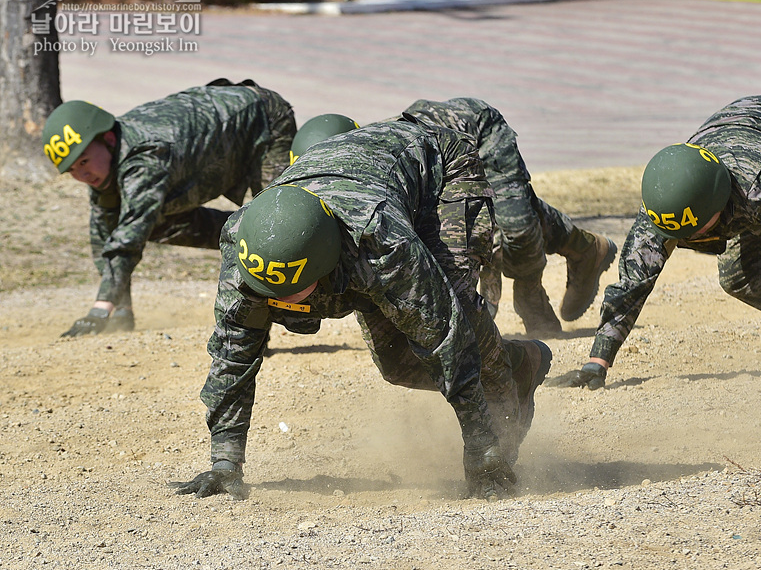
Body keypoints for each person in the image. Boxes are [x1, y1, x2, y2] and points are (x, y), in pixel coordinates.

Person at [169, 116, 552, 501]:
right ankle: (517, 360)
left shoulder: (380, 246)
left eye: (289, 294)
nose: (276, 305)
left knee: (458, 310)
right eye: (268, 292)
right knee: (397, 364)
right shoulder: (246, 245)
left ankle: (507, 402)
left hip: (439, 169)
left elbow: (443, 337)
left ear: (326, 268)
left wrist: (482, 451)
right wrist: (224, 462)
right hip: (363, 190)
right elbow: (233, 353)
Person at [551, 91, 761, 390]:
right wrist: (596, 363)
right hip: (757, 145)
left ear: (718, 204)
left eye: (698, 232)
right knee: (743, 278)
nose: (693, 241)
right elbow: (631, 285)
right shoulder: (666, 203)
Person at [291, 98, 618, 336]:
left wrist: (481, 309)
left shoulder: (377, 171)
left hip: (478, 135)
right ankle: (587, 246)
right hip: (439, 167)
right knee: (510, 207)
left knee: (513, 228)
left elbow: (468, 234)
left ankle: (538, 287)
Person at [41, 78, 296, 337]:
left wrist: (98, 311)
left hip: (262, 118)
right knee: (151, 224)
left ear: (108, 138)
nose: (82, 174)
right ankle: (239, 233)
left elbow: (129, 239)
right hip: (217, 146)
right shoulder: (104, 163)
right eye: (72, 169)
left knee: (273, 225)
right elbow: (106, 236)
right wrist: (120, 310)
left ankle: (302, 299)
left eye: (83, 161)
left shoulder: (143, 158)